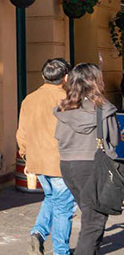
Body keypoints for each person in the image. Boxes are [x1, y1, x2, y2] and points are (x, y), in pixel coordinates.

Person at [55, 62, 120, 255]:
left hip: (67, 166)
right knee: (94, 220)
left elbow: (59, 137)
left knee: (89, 214)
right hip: (93, 166)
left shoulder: (65, 108)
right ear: (96, 81)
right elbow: (114, 141)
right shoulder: (103, 108)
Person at [17, 58, 72, 255]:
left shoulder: (29, 99)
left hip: (37, 161)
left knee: (51, 198)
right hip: (60, 162)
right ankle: (61, 251)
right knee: (63, 207)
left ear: (43, 76)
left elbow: (22, 133)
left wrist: (26, 156)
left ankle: (39, 232)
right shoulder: (68, 100)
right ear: (66, 77)